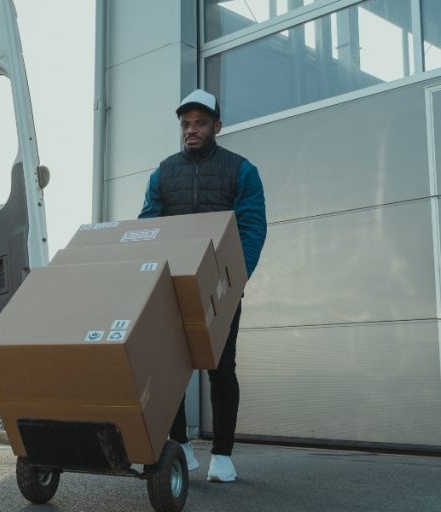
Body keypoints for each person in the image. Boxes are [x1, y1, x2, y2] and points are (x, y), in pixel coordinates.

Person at [139, 89, 267, 483]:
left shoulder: (241, 170)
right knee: (170, 369)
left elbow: (252, 227)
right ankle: (181, 446)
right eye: (185, 124)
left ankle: (223, 456)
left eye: (200, 123)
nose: (191, 130)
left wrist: (235, 280)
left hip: (221, 290)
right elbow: (149, 225)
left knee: (220, 369)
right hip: (171, 288)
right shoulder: (163, 172)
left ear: (217, 126)